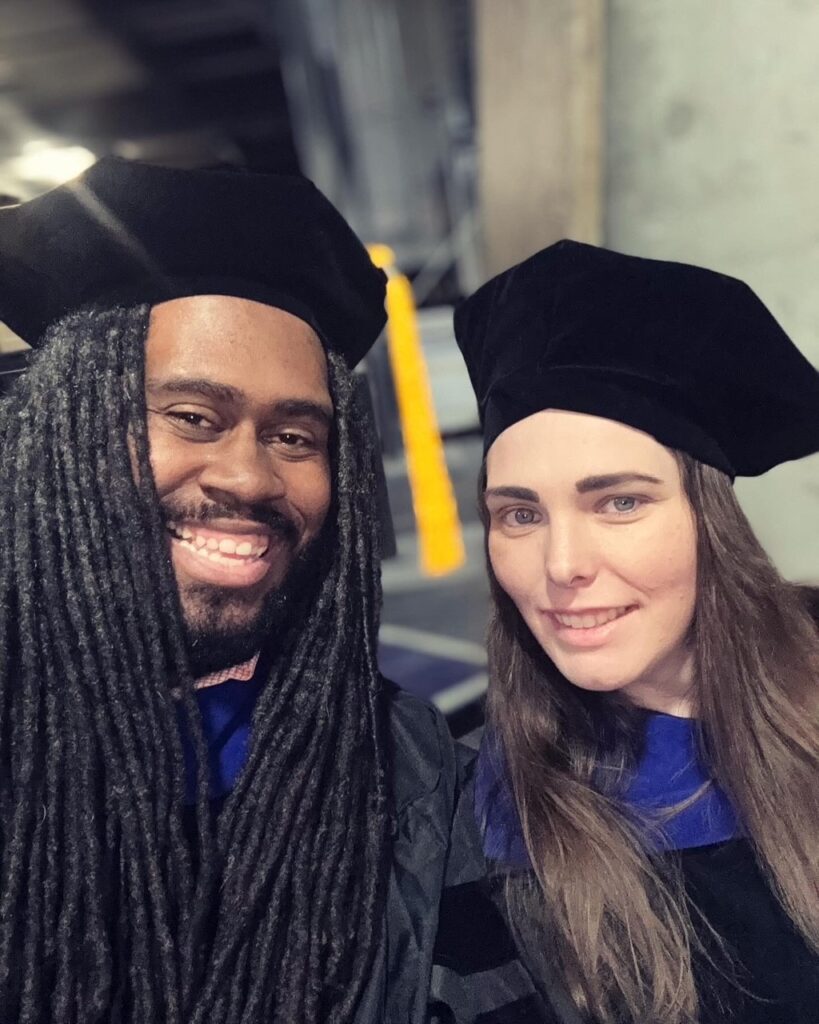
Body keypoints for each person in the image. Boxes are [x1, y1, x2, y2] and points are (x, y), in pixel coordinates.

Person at [0, 158, 545, 1024]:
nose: (250, 477)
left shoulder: (404, 775)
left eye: (295, 435)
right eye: (192, 418)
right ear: (68, 431)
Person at [452, 239, 819, 1024]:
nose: (561, 564)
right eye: (519, 513)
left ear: (707, 521)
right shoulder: (477, 826)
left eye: (617, 501)